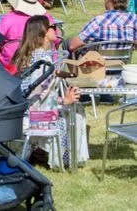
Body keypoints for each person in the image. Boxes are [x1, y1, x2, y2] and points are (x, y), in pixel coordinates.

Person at [13, 15, 87, 170]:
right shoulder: (43, 62)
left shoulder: (29, 55)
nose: (56, 29)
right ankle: (64, 159)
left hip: (21, 111)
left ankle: (40, 152)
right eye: (52, 27)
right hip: (35, 116)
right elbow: (38, 97)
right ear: (44, 32)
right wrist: (64, 101)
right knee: (76, 111)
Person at [0, 0, 56, 71]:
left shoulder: (8, 19)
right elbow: (55, 41)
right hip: (44, 66)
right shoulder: (47, 18)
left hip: (10, 68)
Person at [68, 0, 137, 52]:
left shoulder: (99, 21)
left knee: (67, 43)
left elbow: (73, 46)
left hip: (99, 61)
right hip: (124, 60)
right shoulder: (134, 19)